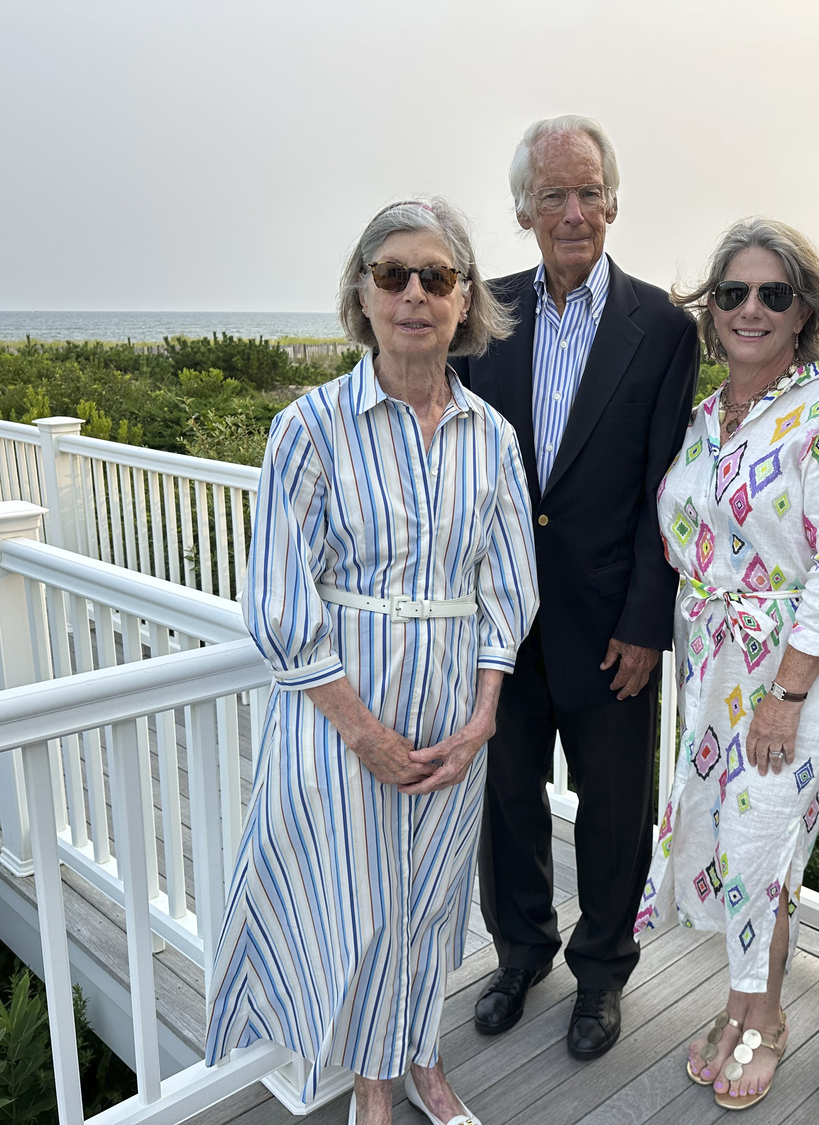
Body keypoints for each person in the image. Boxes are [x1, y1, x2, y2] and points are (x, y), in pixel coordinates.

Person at [204, 198, 539, 1125]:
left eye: (436, 276)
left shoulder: (493, 438)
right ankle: (372, 1079)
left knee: (429, 900)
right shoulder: (310, 427)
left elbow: (508, 589)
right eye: (393, 274)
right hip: (341, 707)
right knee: (354, 901)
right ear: (363, 294)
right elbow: (277, 598)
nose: (414, 293)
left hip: (451, 704)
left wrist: (483, 717)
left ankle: (421, 1060)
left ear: (465, 298)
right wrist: (363, 734)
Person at [448, 115, 698, 1061]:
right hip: (502, 626)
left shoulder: (663, 329)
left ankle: (600, 973)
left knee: (615, 812)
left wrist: (646, 620)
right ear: (523, 210)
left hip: (610, 627)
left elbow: (660, 486)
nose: (574, 210)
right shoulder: (487, 313)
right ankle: (520, 954)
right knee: (507, 803)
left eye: (589, 190)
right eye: (553, 194)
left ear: (614, 200)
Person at [634, 218, 819, 1109]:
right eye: (732, 293)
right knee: (723, 839)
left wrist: (784, 693)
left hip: (793, 674)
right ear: (711, 311)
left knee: (760, 845)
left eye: (772, 294)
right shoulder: (708, 418)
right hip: (712, 666)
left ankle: (766, 1016)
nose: (750, 308)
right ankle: (740, 999)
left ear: (804, 311)